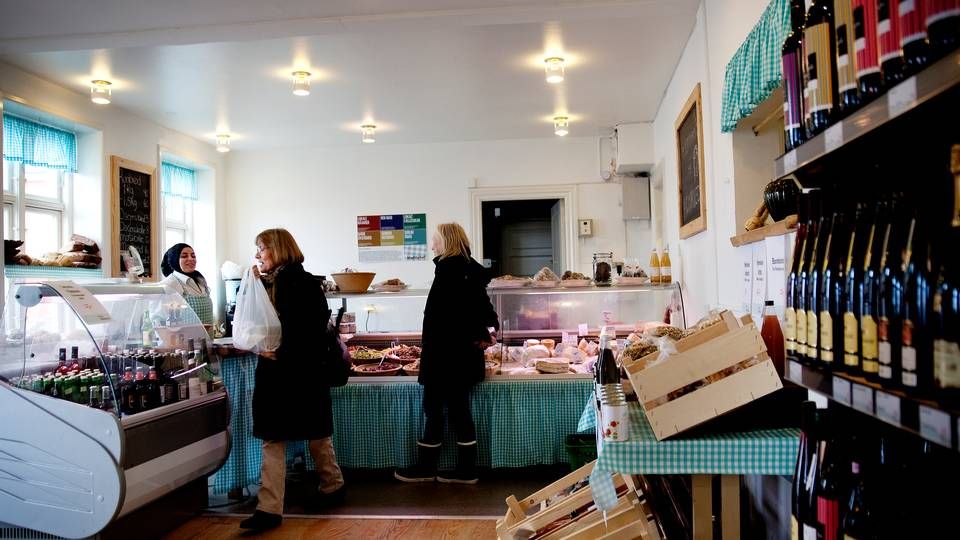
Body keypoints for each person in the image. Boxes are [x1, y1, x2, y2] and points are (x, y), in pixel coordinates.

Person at [240, 228, 345, 532]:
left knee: (285, 437)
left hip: (292, 370)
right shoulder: (278, 281)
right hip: (297, 372)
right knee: (310, 433)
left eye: (262, 248)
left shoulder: (294, 283)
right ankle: (326, 486)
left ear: (278, 249)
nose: (258, 254)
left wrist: (278, 351)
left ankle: (275, 507)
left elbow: (306, 332)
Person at [394, 222, 498, 485]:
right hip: (460, 355)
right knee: (458, 410)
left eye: (435, 240)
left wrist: (482, 332)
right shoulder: (467, 269)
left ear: (447, 242)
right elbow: (479, 306)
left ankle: (428, 468)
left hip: (446, 355)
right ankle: (466, 469)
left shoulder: (450, 270)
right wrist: (487, 330)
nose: (431, 246)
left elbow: (454, 314)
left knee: (435, 409)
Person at [160, 243, 214, 326]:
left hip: (207, 338)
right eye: (184, 256)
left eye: (193, 256)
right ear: (174, 259)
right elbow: (159, 320)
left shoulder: (200, 280)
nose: (191, 259)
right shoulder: (169, 284)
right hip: (183, 338)